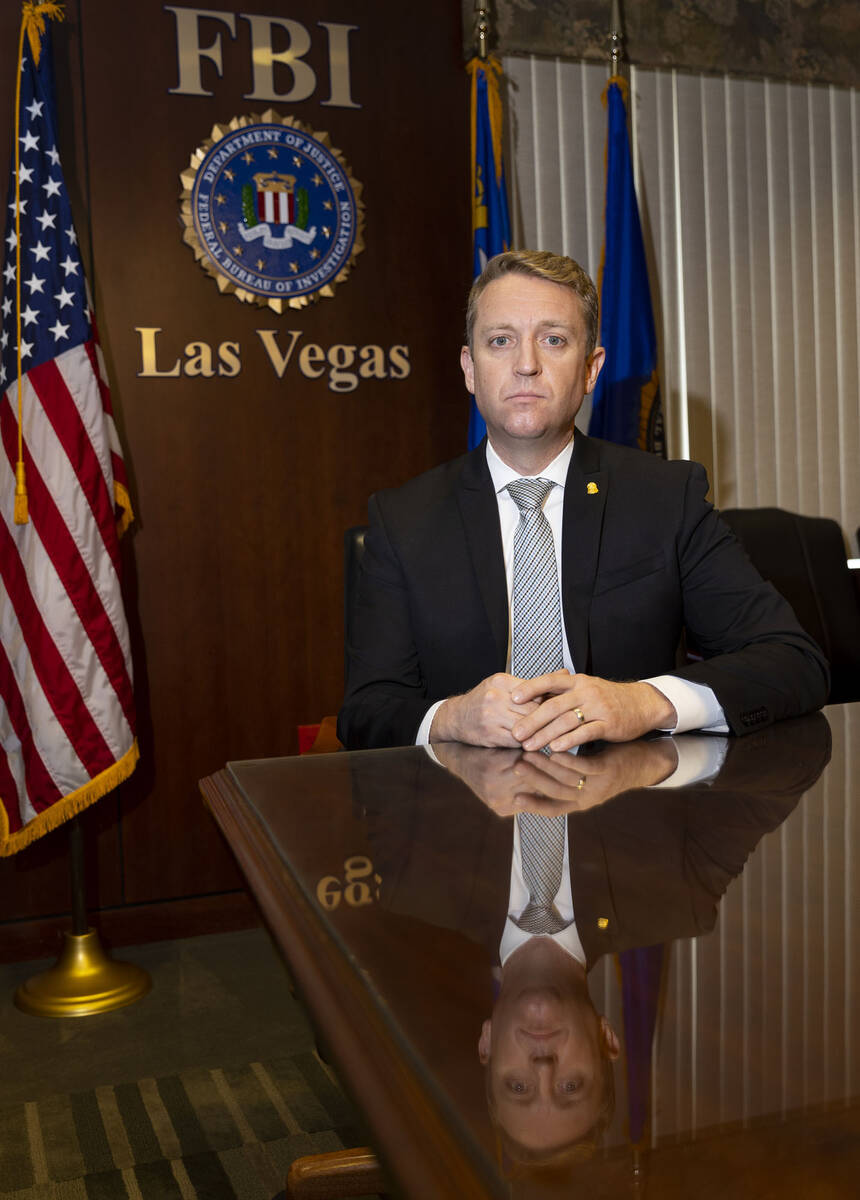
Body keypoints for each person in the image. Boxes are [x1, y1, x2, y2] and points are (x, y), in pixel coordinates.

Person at [338, 250, 829, 751]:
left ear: (591, 369)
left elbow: (792, 659)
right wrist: (452, 719)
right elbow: (366, 711)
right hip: (468, 813)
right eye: (500, 341)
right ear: (469, 368)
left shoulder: (664, 498)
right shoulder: (403, 520)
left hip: (631, 805)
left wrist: (643, 703)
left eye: (553, 340)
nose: (526, 364)